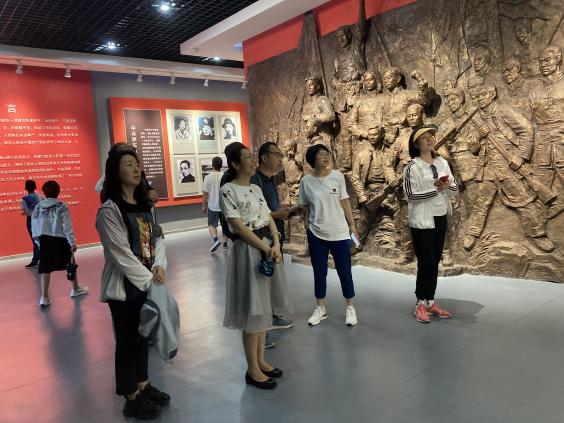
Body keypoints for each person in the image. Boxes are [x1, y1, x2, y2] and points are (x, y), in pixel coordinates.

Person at [96, 147, 170, 420]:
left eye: (137, 164)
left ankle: (143, 384)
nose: (136, 169)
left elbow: (157, 237)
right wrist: (150, 279)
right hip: (125, 288)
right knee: (127, 340)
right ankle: (131, 396)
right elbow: (120, 254)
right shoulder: (109, 211)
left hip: (146, 282)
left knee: (142, 337)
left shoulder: (143, 205)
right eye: (129, 164)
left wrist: (159, 264)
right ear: (115, 172)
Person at [219, 142, 293, 390]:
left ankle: (261, 360)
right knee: (254, 308)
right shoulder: (228, 190)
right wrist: (266, 247)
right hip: (249, 250)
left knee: (263, 306)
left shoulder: (255, 187)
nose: (253, 161)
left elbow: (268, 217)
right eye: (248, 158)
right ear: (235, 164)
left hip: (267, 247)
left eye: (253, 157)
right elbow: (238, 227)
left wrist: (276, 242)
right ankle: (252, 368)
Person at [299, 144, 359, 327]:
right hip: (317, 233)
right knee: (319, 272)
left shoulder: (337, 176)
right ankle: (320, 308)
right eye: (321, 154)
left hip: (339, 232)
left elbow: (345, 201)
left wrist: (352, 225)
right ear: (312, 158)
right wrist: (307, 227)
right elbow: (305, 207)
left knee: (344, 271)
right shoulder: (306, 181)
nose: (326, 157)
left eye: (327, 154)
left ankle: (350, 307)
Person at [403, 125, 459, 323]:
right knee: (425, 261)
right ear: (416, 144)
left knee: (435, 261)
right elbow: (410, 195)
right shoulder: (413, 166)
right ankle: (420, 302)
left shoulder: (442, 162)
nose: (429, 140)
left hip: (440, 215)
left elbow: (454, 188)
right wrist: (436, 189)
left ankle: (430, 301)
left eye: (430, 136)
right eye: (424, 138)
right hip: (422, 219)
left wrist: (446, 186)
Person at [252, 141, 295, 331]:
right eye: (277, 155)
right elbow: (255, 213)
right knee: (263, 279)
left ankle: (272, 316)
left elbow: (270, 208)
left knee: (274, 277)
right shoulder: (256, 181)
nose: (280, 159)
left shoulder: (270, 180)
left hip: (275, 235)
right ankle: (262, 325)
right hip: (263, 237)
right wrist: (278, 214)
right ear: (264, 157)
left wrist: (284, 211)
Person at [31, 180, 89, 308]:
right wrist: (72, 242)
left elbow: (34, 224)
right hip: (61, 239)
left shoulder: (38, 207)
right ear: (58, 192)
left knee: (45, 267)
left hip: (44, 239)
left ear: (44, 192)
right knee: (70, 264)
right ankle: (75, 289)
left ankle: (44, 297)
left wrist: (37, 240)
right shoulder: (62, 206)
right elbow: (67, 226)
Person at [202, 156, 228, 252]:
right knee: (225, 225)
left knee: (211, 224)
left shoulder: (208, 177)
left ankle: (216, 240)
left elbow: (205, 193)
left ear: (212, 165)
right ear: (221, 165)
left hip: (212, 206)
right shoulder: (225, 176)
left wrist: (204, 205)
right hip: (224, 206)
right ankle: (225, 244)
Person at [21, 179, 41, 268]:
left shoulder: (24, 199)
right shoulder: (41, 197)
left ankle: (37, 260)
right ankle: (36, 259)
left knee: (35, 240)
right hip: (41, 220)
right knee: (39, 240)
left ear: (26, 188)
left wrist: (24, 213)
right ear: (35, 187)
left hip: (31, 220)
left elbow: (27, 212)